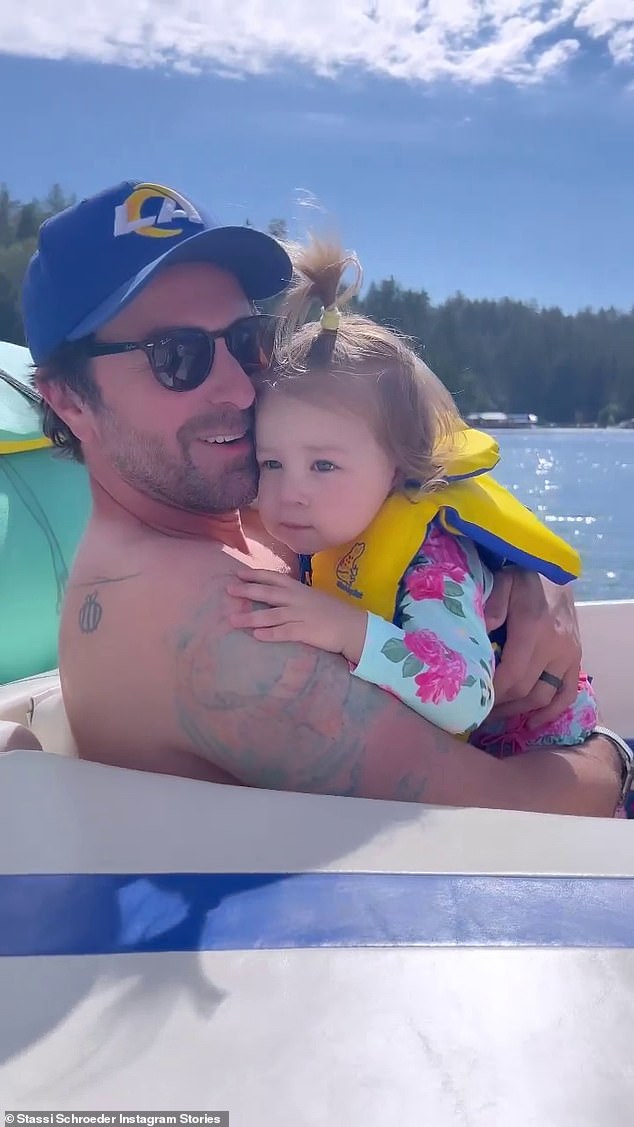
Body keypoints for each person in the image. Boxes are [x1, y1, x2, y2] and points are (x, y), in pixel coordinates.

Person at [18, 179, 630, 816]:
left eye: (249, 341)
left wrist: (527, 577)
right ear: (68, 399)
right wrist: (617, 755)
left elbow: (429, 497)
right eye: (178, 356)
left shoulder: (258, 513)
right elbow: (503, 812)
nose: (242, 388)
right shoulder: (209, 617)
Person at [228, 236, 599, 758]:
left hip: (539, 760)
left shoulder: (432, 564)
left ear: (397, 465)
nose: (290, 493)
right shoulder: (336, 522)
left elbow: (466, 696)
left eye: (324, 465)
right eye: (272, 463)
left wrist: (344, 629)